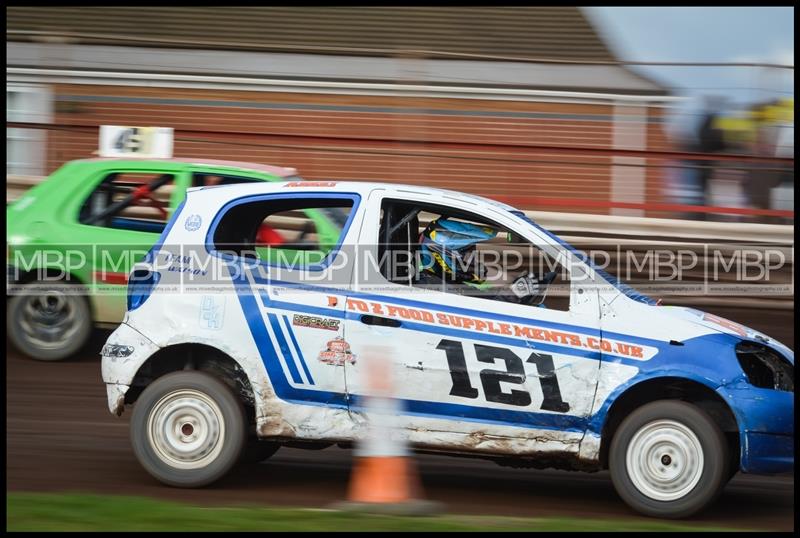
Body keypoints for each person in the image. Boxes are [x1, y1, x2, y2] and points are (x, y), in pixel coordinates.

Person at [414, 218, 551, 305]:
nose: (473, 261)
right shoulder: (431, 288)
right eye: (467, 256)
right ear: (442, 255)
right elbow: (482, 313)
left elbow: (488, 290)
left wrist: (518, 287)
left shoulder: (446, 281)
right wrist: (513, 295)